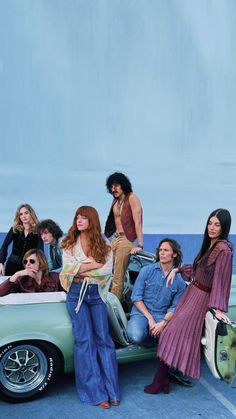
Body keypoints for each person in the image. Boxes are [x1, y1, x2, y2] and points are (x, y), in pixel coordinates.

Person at [144, 208, 233, 395]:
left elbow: (222, 280)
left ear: (224, 227)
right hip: (191, 294)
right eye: (210, 223)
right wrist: (177, 270)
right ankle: (164, 380)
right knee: (173, 334)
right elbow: (197, 269)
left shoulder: (223, 250)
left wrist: (217, 307)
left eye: (217, 224)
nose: (212, 228)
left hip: (201, 299)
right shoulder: (210, 245)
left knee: (170, 333)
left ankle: (159, 380)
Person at [60, 206, 120, 408]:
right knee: (84, 341)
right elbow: (66, 273)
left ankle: (113, 391)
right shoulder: (68, 243)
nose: (79, 220)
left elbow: (105, 272)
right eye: (77, 216)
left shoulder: (104, 244)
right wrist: (92, 265)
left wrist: (79, 269)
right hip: (76, 294)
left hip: (97, 294)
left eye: (84, 217)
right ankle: (96, 393)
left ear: (92, 221)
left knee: (104, 340)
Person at [128, 238, 186, 348]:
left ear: (174, 254)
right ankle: (153, 340)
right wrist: (150, 319)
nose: (162, 253)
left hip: (162, 315)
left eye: (166, 250)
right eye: (160, 250)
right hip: (141, 312)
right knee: (136, 335)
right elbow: (136, 297)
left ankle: (158, 337)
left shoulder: (179, 281)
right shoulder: (146, 271)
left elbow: (175, 307)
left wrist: (163, 323)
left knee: (174, 336)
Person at [105, 172, 143, 300]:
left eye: (116, 185)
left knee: (117, 276)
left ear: (123, 185)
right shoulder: (115, 201)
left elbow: (138, 222)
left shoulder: (132, 198)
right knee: (108, 272)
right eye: (111, 186)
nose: (113, 189)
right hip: (115, 239)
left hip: (126, 239)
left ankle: (114, 308)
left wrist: (140, 245)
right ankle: (109, 301)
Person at [0, 204, 43, 276]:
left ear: (31, 214)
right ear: (19, 217)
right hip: (11, 266)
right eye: (21, 214)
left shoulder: (38, 231)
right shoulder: (15, 229)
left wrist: (40, 268)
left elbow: (40, 251)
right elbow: (4, 246)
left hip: (29, 267)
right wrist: (1, 262)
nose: (24, 216)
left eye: (26, 213)